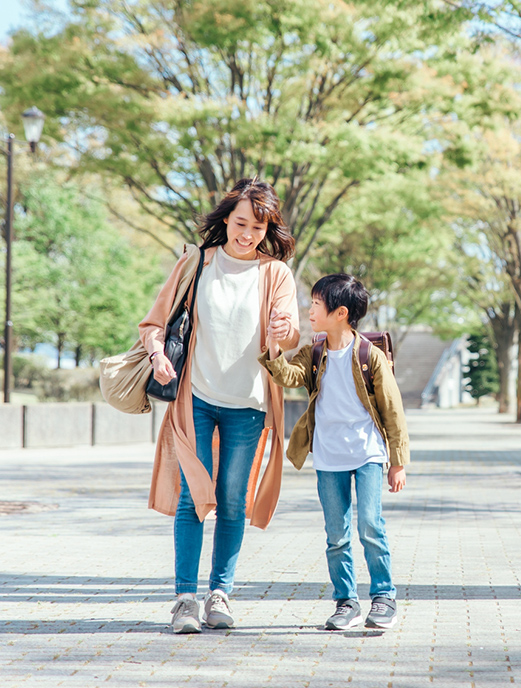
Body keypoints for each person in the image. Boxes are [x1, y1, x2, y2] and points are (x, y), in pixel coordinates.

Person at [138, 178, 300, 634]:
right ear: (226, 218)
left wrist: (283, 330)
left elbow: (290, 335)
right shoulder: (197, 262)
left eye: (257, 228)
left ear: (268, 229)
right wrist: (158, 355)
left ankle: (219, 593)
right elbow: (153, 323)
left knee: (231, 501)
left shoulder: (276, 274)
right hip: (196, 398)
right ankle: (185, 599)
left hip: (248, 405)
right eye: (241, 223)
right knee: (193, 496)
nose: (247, 234)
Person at [259, 273, 409, 631]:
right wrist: (274, 346)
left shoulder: (369, 356)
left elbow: (393, 411)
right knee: (336, 535)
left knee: (370, 525)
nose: (310, 310)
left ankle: (384, 596)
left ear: (340, 313)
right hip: (328, 456)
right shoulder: (313, 353)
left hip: (368, 453)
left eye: (316, 304)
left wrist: (398, 463)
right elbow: (287, 377)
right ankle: (347, 603)